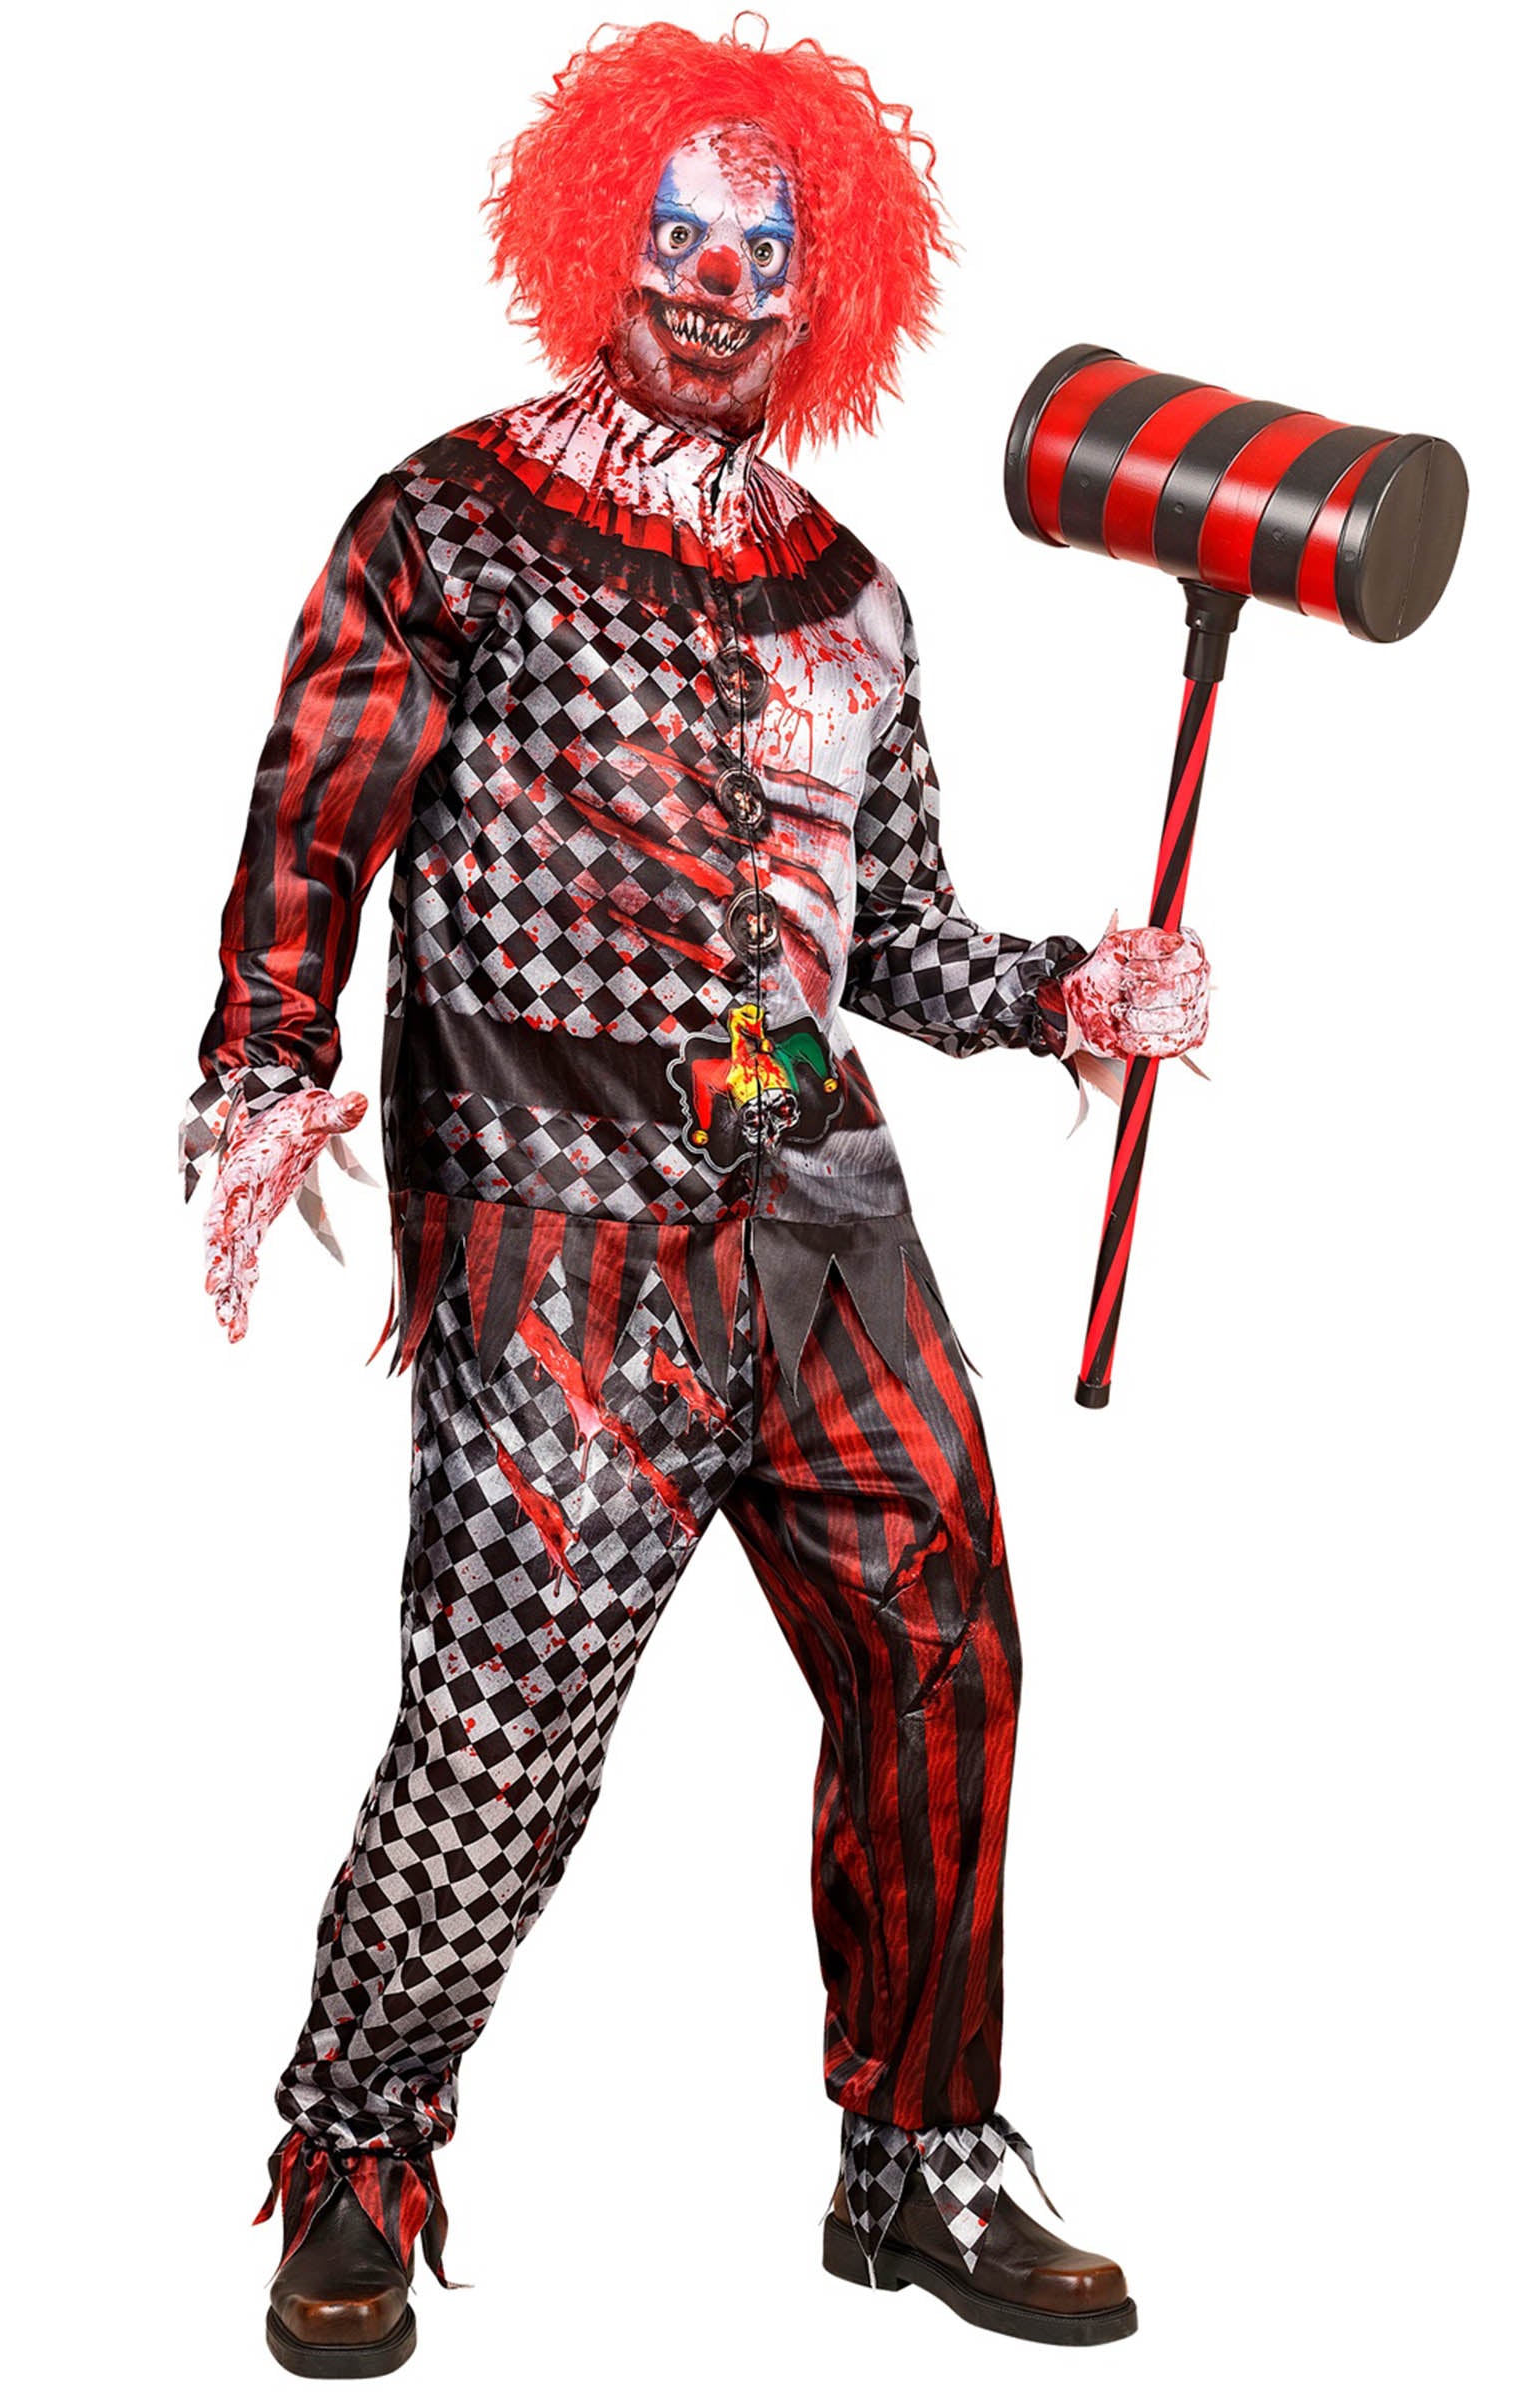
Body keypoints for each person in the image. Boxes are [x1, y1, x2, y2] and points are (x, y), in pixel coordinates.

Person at [182, 20, 1208, 2378]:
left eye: (765, 247)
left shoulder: (854, 596)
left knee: (944, 1656)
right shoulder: (449, 520)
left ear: (822, 286)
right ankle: (353, 2155)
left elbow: (895, 941)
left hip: (821, 1216)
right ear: (600, 242)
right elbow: (315, 817)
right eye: (677, 233)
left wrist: (1073, 991)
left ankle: (919, 2156)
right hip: (552, 1223)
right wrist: (264, 1064)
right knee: (502, 1732)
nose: (717, 280)